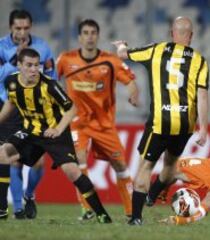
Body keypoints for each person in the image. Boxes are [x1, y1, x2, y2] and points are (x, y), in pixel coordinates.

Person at [113, 16, 209, 225]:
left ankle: (136, 217)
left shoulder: (156, 50)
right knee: (170, 165)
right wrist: (203, 129)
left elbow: (123, 55)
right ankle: (154, 193)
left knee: (145, 167)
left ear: (171, 34)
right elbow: (202, 96)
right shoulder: (199, 60)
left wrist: (122, 45)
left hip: (160, 122)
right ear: (191, 36)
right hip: (185, 124)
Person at [0, 48, 111, 223]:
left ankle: (102, 214)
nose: (34, 69)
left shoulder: (49, 85)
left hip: (55, 133)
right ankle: (2, 210)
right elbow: (11, 102)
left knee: (72, 172)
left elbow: (71, 108)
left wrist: (58, 129)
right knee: (3, 153)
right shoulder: (11, 82)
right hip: (31, 131)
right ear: (19, 66)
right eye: (29, 65)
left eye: (37, 65)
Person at [57, 19, 139, 220]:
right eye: (85, 32)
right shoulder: (66, 60)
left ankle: (131, 212)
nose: (90, 36)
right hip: (78, 122)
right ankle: (87, 210)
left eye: (93, 32)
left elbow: (130, 81)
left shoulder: (110, 61)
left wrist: (133, 94)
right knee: (79, 158)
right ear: (79, 37)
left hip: (104, 124)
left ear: (98, 36)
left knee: (120, 165)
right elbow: (50, 80)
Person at [0, 9, 57, 219]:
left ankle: (29, 195)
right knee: (12, 158)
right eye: (18, 28)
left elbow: (52, 76)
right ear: (10, 28)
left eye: (25, 28)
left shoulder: (42, 47)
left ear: (30, 27)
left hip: (36, 109)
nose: (22, 32)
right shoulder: (1, 47)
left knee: (38, 163)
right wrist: (16, 56)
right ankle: (18, 209)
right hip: (9, 106)